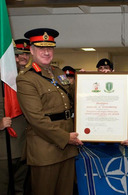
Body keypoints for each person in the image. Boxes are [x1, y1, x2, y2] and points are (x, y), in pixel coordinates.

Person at [16, 28, 83, 195]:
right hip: (45, 149)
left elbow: (74, 101)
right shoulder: (26, 79)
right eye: (41, 48)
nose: (46, 52)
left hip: (67, 148)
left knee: (66, 191)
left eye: (50, 48)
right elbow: (36, 119)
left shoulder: (58, 73)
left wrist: (87, 82)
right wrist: (66, 138)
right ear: (32, 50)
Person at [0, 42, 29, 195]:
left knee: (19, 189)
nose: (23, 57)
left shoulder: (26, 77)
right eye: (19, 54)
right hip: (4, 148)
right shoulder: (3, 78)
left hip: (23, 145)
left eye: (26, 54)